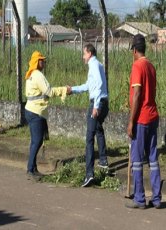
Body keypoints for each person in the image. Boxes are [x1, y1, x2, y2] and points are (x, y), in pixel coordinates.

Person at [125, 34, 161, 209]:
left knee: (137, 160)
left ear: (134, 50)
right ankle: (157, 198)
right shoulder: (151, 66)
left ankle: (139, 199)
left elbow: (138, 94)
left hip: (141, 119)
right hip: (153, 116)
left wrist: (131, 121)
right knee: (153, 158)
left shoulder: (137, 66)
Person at [67, 44, 109, 187]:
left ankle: (89, 174)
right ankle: (103, 161)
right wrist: (72, 89)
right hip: (103, 101)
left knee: (89, 138)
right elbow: (88, 85)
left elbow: (97, 85)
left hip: (97, 103)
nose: (83, 57)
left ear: (89, 53)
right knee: (98, 129)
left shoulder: (94, 65)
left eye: (84, 54)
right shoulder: (97, 64)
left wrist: (96, 106)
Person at [24, 51, 68, 180]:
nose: (44, 62)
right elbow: (48, 91)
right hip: (36, 112)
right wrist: (64, 90)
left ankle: (32, 168)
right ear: (37, 62)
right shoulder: (37, 75)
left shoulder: (31, 74)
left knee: (35, 141)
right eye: (41, 60)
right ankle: (30, 169)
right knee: (37, 141)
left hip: (32, 110)